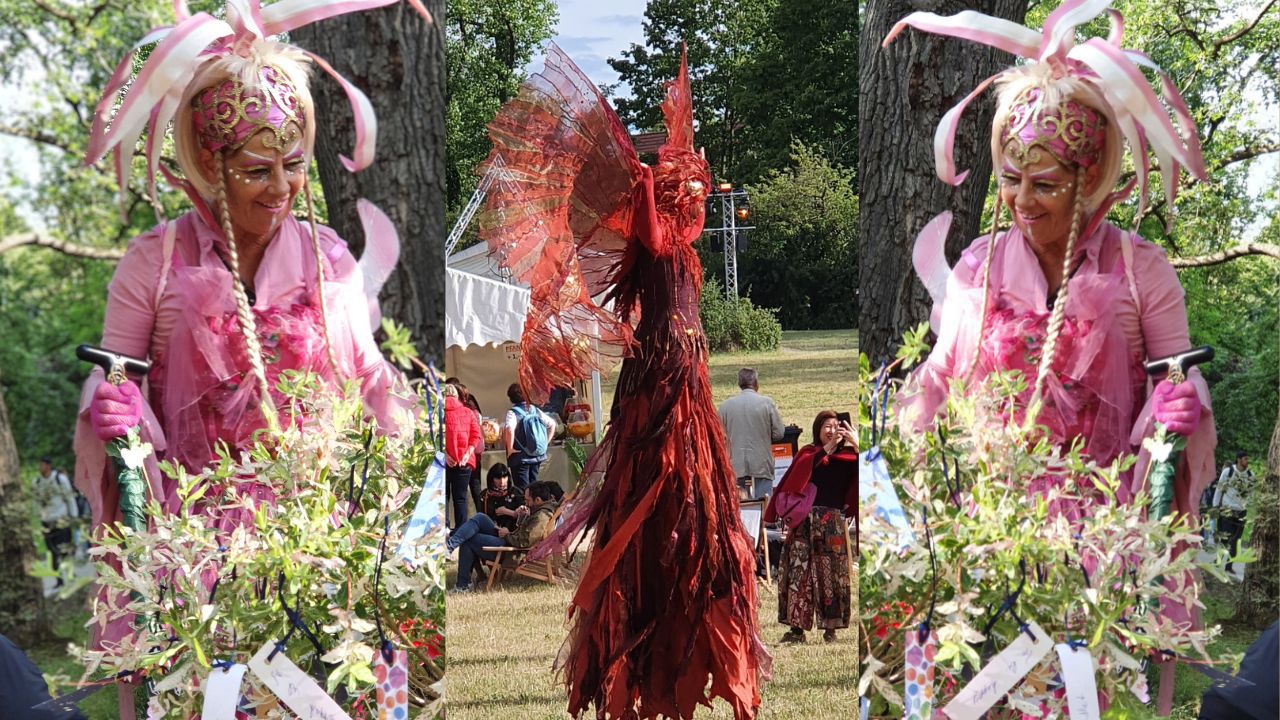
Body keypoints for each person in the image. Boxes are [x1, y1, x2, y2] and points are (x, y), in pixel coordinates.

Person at [75, 11, 412, 716]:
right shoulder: (153, 263)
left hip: (320, 543)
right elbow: (114, 375)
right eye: (257, 170)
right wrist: (112, 404)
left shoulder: (329, 259)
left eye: (294, 164)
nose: (281, 187)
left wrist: (412, 450)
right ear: (210, 165)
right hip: (195, 558)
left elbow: (371, 384)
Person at [889, 3, 1216, 713]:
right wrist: (899, 467)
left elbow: (1180, 383)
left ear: (1088, 178)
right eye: (1011, 179)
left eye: (1044, 185)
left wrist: (1179, 407)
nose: (1020, 201)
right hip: (987, 533)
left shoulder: (1142, 272)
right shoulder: (979, 266)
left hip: (1103, 547)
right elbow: (939, 382)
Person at [480, 45, 767, 719]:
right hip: (659, 370)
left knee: (694, 487)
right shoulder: (652, 236)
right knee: (651, 478)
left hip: (688, 370)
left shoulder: (686, 240)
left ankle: (693, 603)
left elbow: (683, 219)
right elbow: (653, 233)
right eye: (681, 189)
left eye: (693, 189)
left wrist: (681, 173)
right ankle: (639, 629)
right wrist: (642, 179)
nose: (692, 196)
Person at [764, 412, 857, 643]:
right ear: (818, 429)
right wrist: (825, 451)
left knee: (832, 575)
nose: (832, 430)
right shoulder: (809, 453)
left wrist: (858, 445)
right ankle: (796, 630)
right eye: (827, 426)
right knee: (798, 573)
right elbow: (798, 476)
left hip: (831, 524)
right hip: (804, 523)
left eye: (836, 426)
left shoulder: (850, 457)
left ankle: (831, 628)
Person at [445, 480, 561, 592]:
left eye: (527, 500)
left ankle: (462, 586)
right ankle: (449, 546)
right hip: (510, 542)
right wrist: (521, 517)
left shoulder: (541, 516)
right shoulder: (541, 510)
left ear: (538, 500)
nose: (525, 503)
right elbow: (526, 533)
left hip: (512, 551)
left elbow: (525, 541)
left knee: (469, 540)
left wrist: (507, 535)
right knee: (480, 518)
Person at [718, 367, 786, 501]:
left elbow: (719, 436)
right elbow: (779, 433)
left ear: (739, 384)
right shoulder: (767, 403)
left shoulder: (725, 406)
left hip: (735, 465)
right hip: (761, 464)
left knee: (739, 506)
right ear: (756, 383)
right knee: (764, 504)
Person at [32, 457, 78, 585]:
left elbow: (69, 498)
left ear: (48, 466)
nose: (40, 468)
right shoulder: (37, 482)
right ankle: (59, 579)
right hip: (47, 521)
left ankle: (70, 573)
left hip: (61, 519)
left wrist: (73, 516)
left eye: (42, 465)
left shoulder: (59, 479)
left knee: (65, 549)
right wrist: (38, 517)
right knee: (52, 551)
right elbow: (35, 502)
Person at [444, 383, 483, 527]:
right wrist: (467, 453)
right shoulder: (468, 412)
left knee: (443, 496)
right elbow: (476, 435)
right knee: (460, 498)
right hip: (464, 461)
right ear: (457, 395)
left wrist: (445, 455)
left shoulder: (437, 413)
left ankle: (445, 528)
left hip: (444, 461)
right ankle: (461, 530)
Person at [502, 383, 554, 489]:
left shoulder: (512, 413)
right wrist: (545, 443)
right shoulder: (534, 410)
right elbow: (552, 424)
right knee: (534, 486)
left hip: (520, 456)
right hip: (537, 455)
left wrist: (510, 448)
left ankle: (525, 500)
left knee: (522, 488)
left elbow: (509, 429)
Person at [1212, 452, 1252, 559]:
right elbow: (1219, 489)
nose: (1247, 461)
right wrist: (1215, 506)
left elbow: (1251, 493)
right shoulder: (1228, 472)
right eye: (1245, 459)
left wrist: (1246, 505)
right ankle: (1218, 561)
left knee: (1236, 540)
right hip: (1227, 510)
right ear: (1239, 460)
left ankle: (1229, 565)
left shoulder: (1250, 475)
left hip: (1241, 512)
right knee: (1225, 538)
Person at [479, 463, 523, 533]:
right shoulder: (485, 495)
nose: (502, 482)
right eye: (498, 478)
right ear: (492, 479)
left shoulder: (516, 493)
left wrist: (508, 512)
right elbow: (482, 517)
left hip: (510, 534)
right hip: (490, 531)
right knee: (476, 520)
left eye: (504, 477)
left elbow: (525, 516)